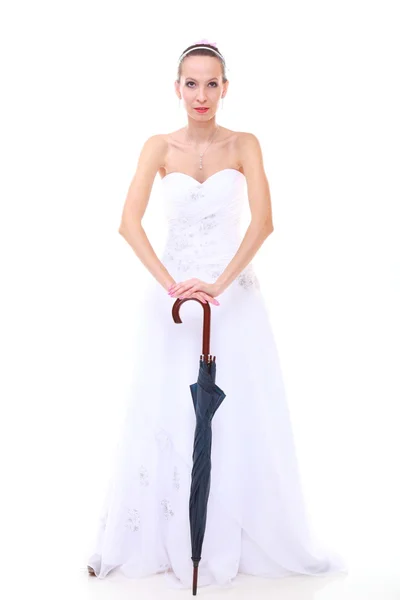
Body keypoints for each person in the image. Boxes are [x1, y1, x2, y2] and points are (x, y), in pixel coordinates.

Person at [86, 40, 347, 590]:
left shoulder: (244, 144)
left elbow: (263, 223)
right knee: (164, 413)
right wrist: (174, 287)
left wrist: (218, 286)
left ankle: (227, 537)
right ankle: (162, 540)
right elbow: (128, 223)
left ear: (225, 88)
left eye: (211, 83)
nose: (201, 94)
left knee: (237, 417)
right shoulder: (158, 147)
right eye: (191, 83)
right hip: (174, 303)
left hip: (231, 299)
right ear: (176, 88)